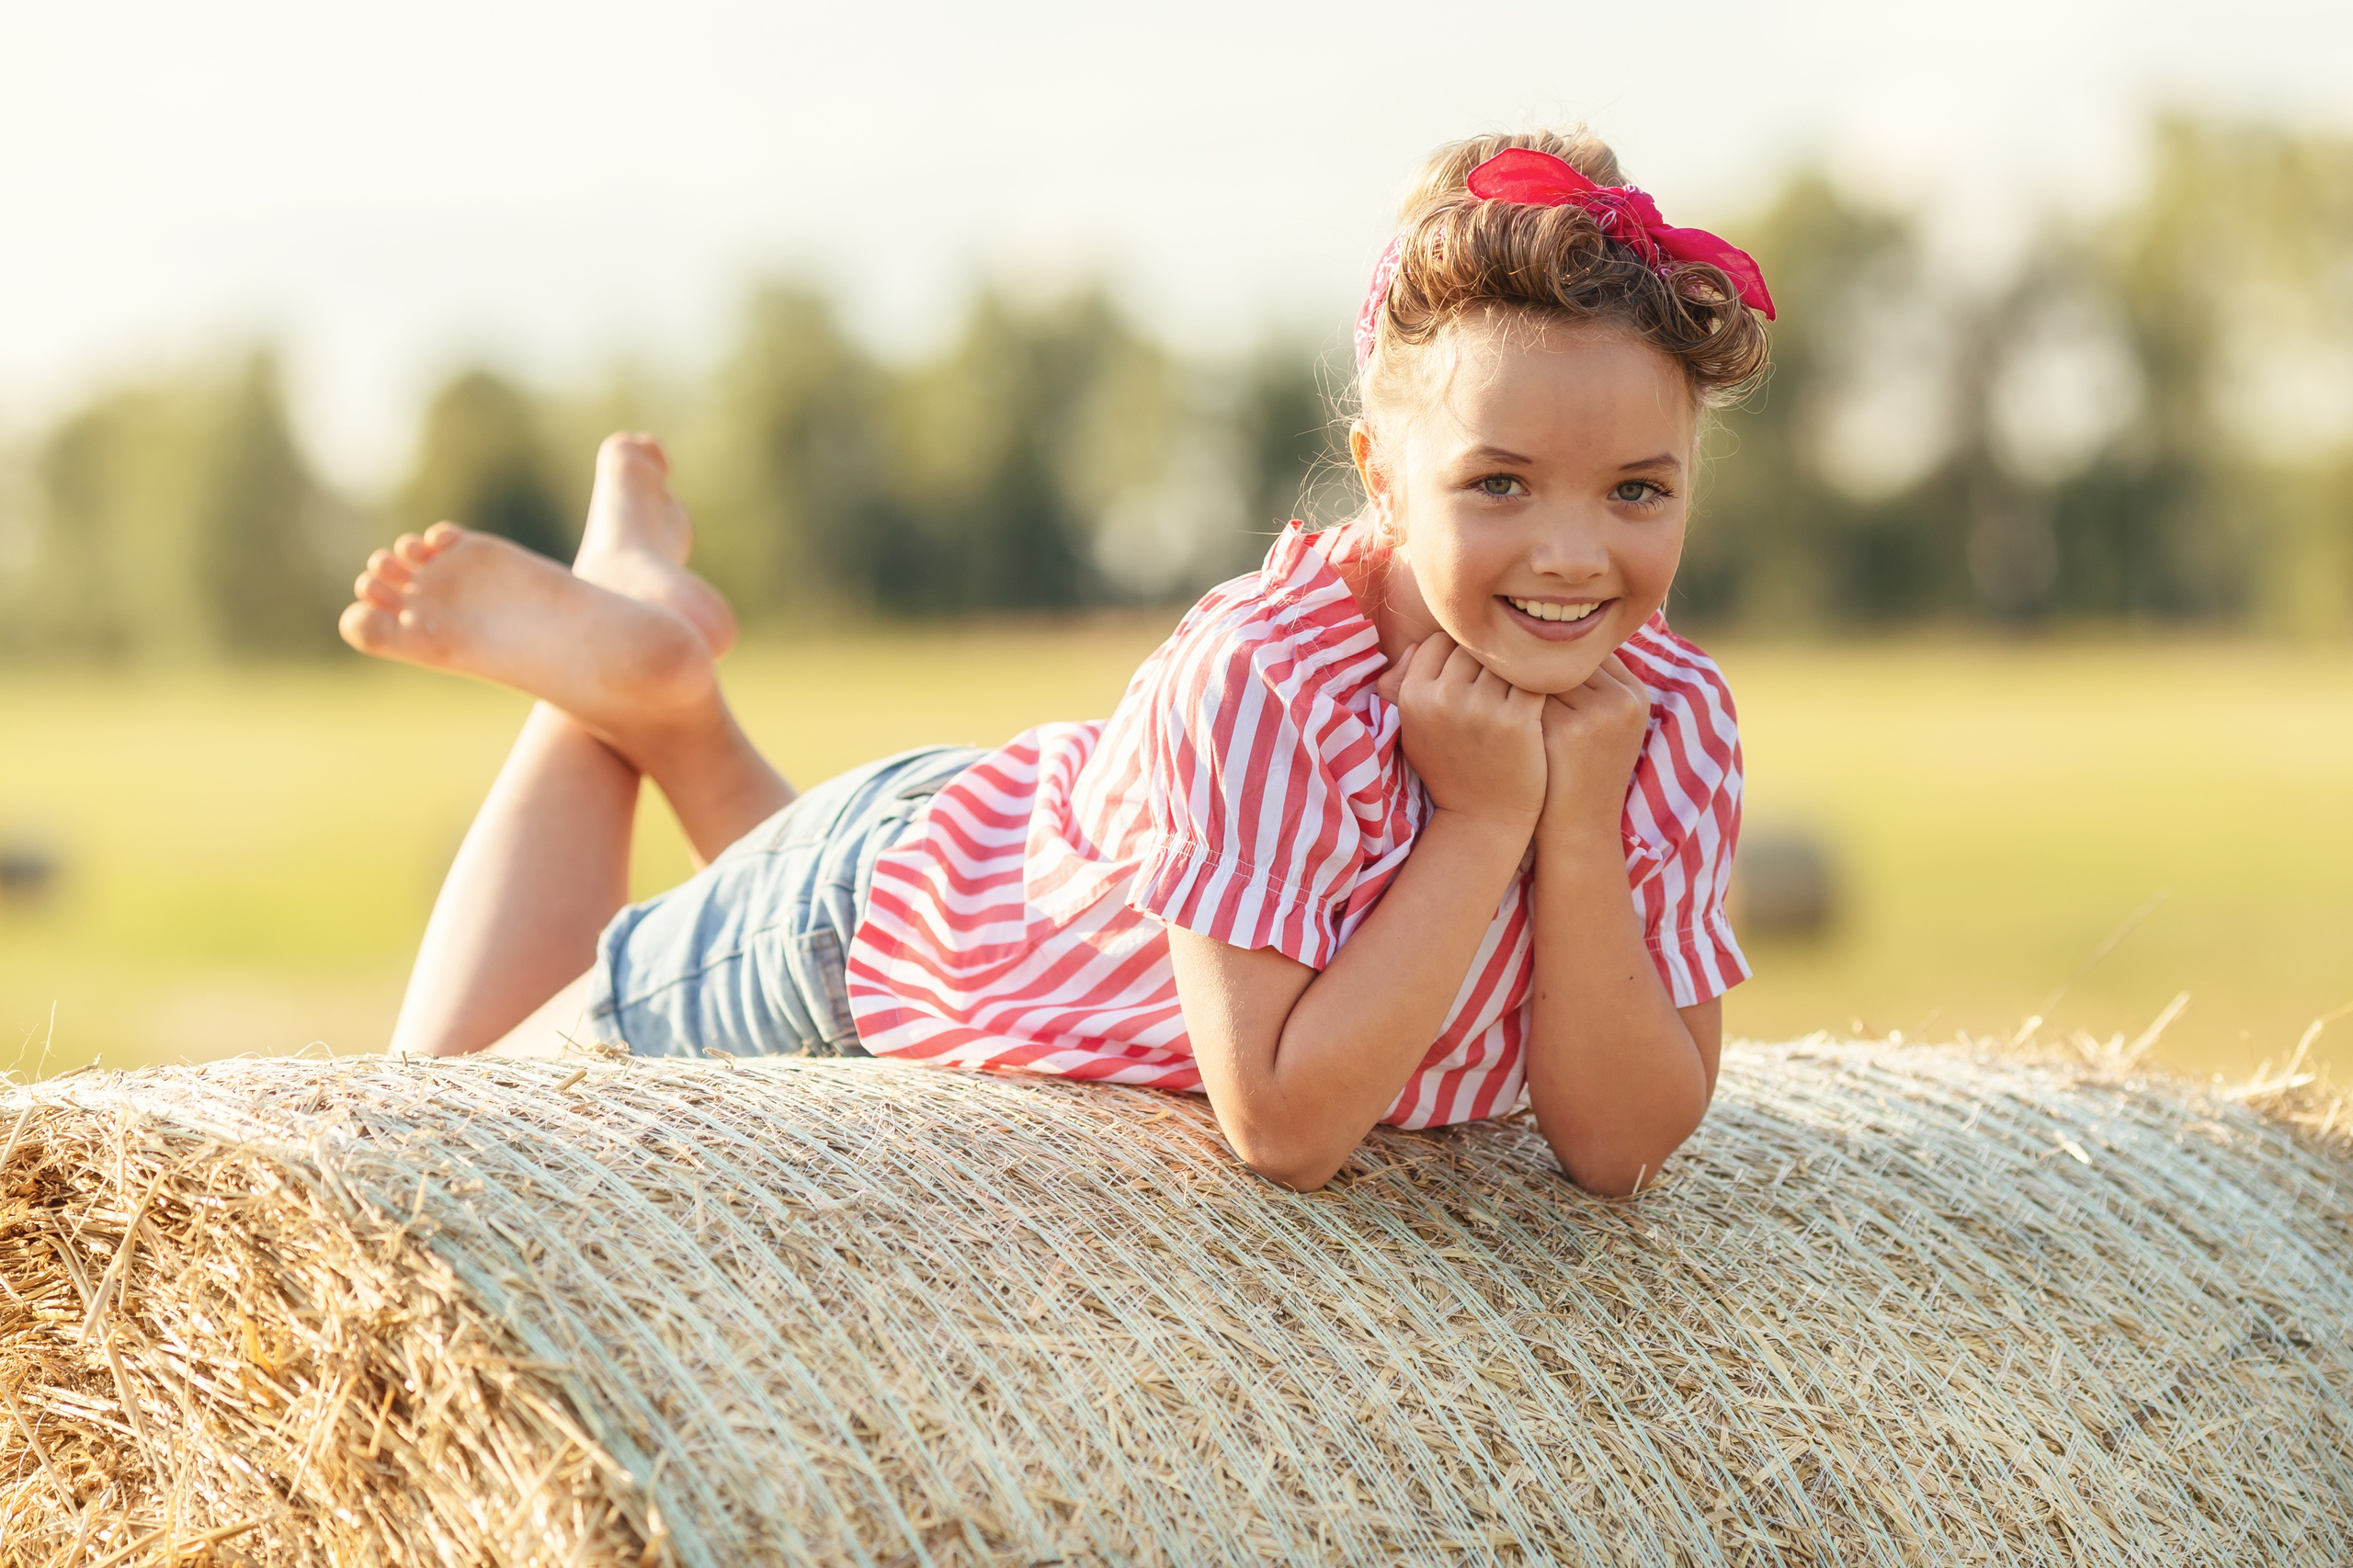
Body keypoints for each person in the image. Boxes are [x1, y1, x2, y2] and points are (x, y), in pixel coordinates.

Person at [340, 127, 1773, 1196]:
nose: (1573, 553)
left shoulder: (1677, 726)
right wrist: (1481, 820)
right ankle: (614, 680)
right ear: (1382, 482)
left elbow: (1621, 1143)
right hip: (858, 925)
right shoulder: (1270, 683)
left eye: (1637, 491)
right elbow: (1283, 1123)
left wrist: (1575, 822)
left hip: (1021, 898)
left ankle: (665, 693)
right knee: (432, 1145)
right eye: (1500, 485)